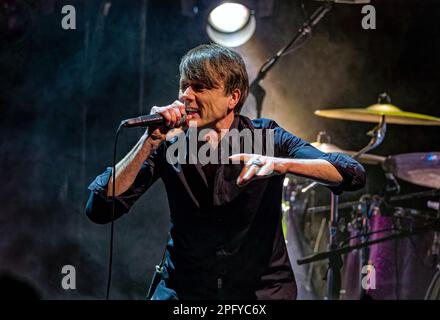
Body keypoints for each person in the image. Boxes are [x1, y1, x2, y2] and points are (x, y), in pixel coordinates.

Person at [85, 43, 366, 300]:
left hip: (260, 293)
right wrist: (149, 141)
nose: (186, 95)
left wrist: (281, 164)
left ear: (233, 97)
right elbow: (100, 207)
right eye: (184, 86)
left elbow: (351, 173)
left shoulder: (267, 137)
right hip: (185, 292)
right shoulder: (169, 144)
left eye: (200, 87)